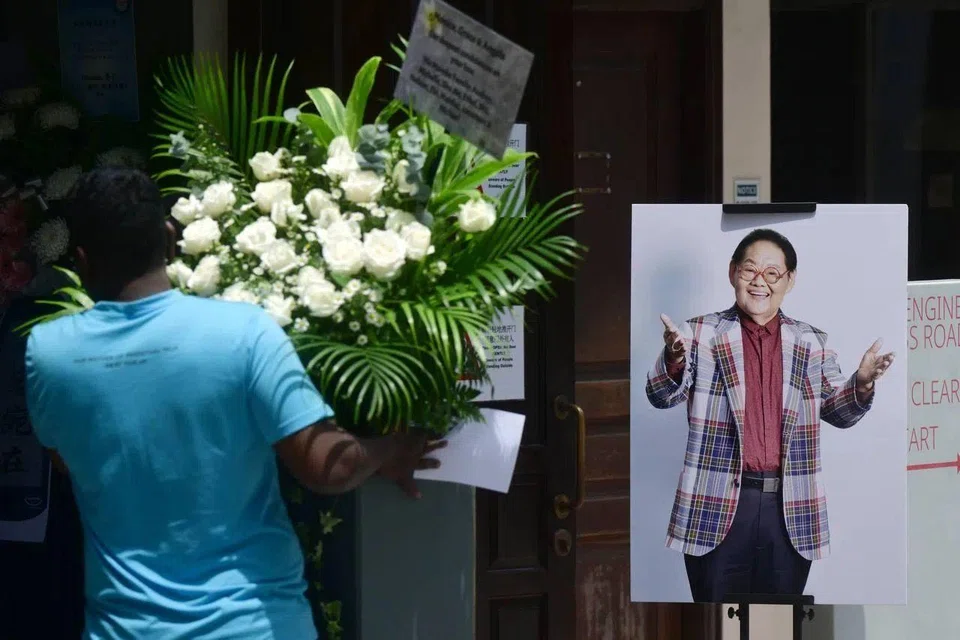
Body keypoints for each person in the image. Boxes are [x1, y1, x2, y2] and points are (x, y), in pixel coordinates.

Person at [23, 168, 445, 639]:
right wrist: (389, 449)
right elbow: (327, 467)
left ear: (82, 260)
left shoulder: (49, 353)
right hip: (257, 625)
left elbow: (70, 460)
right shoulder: (243, 332)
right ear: (170, 239)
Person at [646, 228, 894, 603]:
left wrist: (860, 384)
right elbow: (661, 396)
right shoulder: (699, 334)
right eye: (749, 270)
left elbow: (837, 412)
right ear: (733, 273)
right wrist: (675, 359)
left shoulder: (811, 342)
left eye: (772, 273)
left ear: (790, 280)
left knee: (779, 625)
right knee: (717, 625)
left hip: (789, 508)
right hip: (717, 503)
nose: (759, 282)